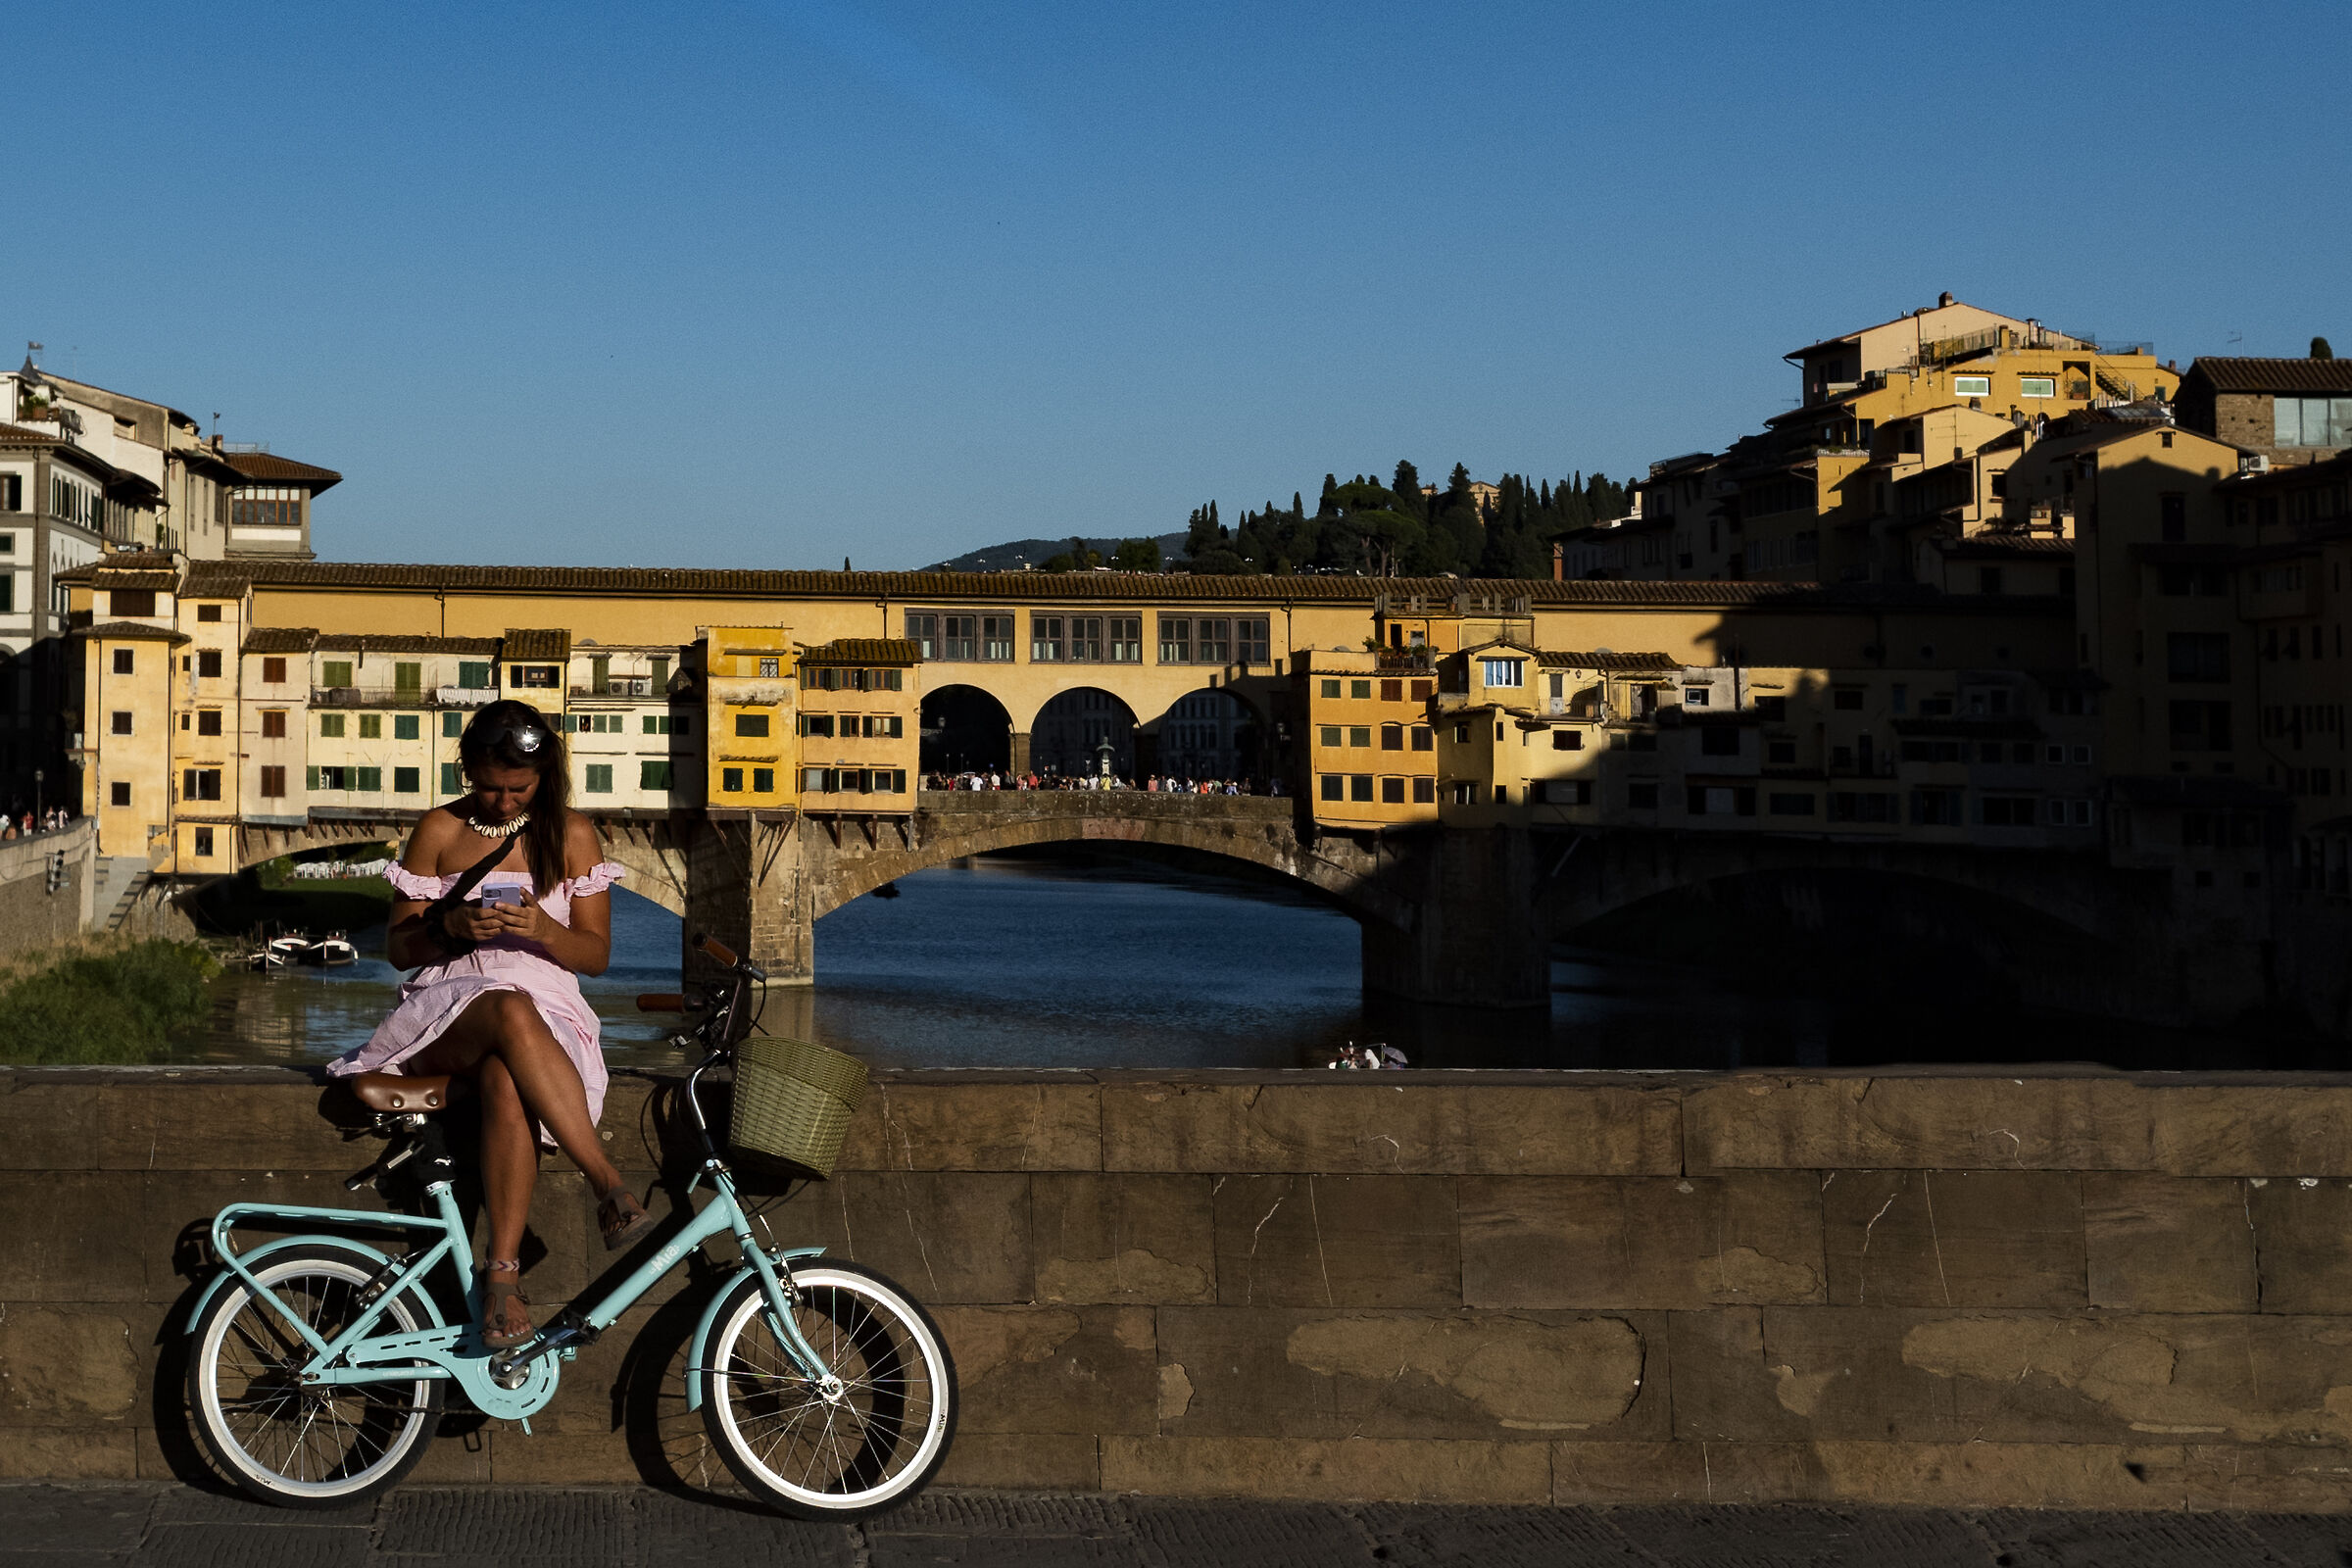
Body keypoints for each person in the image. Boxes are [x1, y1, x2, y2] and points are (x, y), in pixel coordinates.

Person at [325, 700, 648, 1349]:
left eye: (516, 789)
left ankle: (500, 1277)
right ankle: (607, 1182)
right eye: (487, 787)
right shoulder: (439, 830)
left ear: (544, 775)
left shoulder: (575, 835)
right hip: (449, 1010)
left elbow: (596, 956)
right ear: (468, 771)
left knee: (508, 1076)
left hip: (547, 1014)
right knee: (505, 1006)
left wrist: (543, 929)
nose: (500, 802)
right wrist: (451, 925)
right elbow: (399, 948)